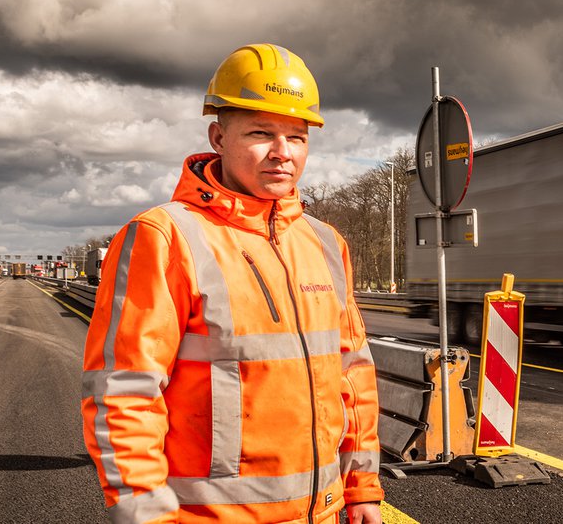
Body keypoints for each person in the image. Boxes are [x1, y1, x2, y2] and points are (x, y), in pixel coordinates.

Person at [81, 44, 384, 523]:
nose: (283, 153)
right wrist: (144, 515)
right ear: (218, 136)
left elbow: (353, 375)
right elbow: (124, 391)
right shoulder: (165, 237)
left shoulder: (326, 243)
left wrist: (362, 486)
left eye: (297, 137)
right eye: (262, 133)